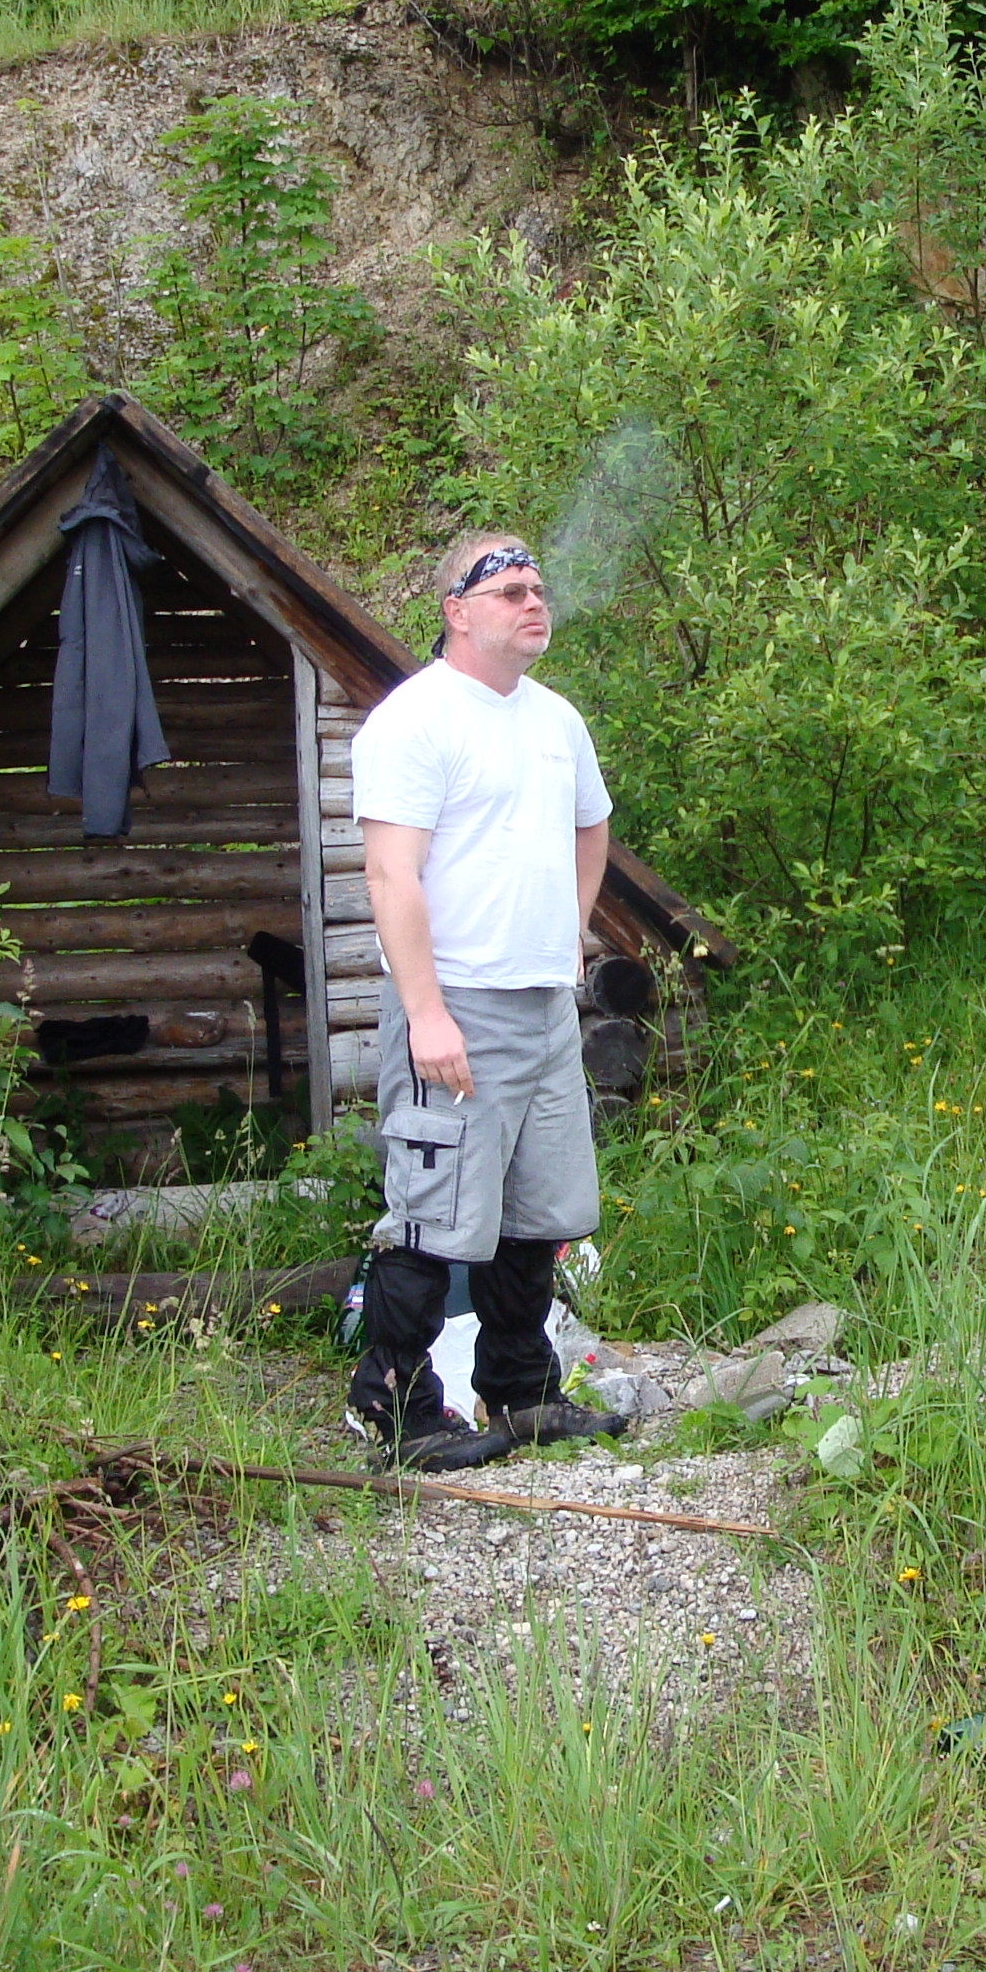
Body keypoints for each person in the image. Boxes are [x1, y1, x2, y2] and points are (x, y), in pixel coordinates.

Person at [344, 530, 632, 1472]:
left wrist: (570, 930)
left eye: (537, 588)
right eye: (510, 592)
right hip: (456, 1002)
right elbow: (390, 875)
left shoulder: (556, 721)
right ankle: (395, 1411)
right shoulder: (415, 721)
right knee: (433, 1214)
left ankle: (522, 1391)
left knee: (537, 1213)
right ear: (457, 612)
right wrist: (427, 1014)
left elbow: (592, 827)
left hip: (544, 1005)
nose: (533, 603)